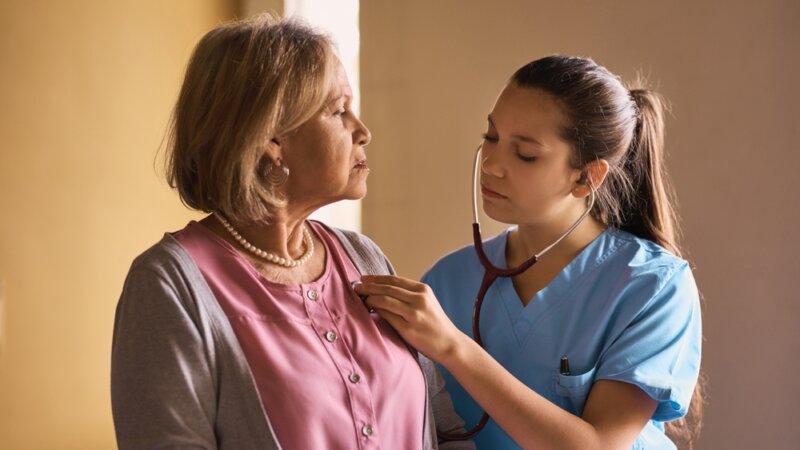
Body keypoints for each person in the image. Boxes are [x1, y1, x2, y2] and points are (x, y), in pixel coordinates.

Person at [111, 15, 468, 450]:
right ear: (272, 139)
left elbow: (447, 431)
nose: (363, 131)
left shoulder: (364, 257)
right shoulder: (169, 285)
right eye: (339, 111)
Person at [355, 55, 703, 449]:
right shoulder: (446, 282)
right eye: (491, 137)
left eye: (525, 154)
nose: (492, 164)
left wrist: (454, 348)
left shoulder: (652, 286)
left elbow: (599, 445)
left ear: (586, 177)